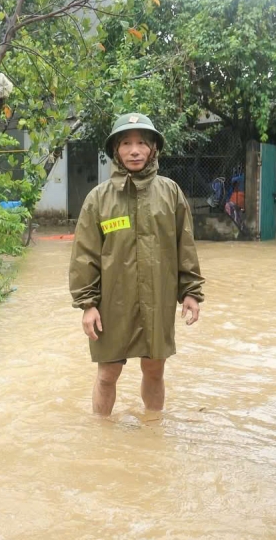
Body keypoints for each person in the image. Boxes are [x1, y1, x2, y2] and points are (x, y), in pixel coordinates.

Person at [70, 113, 205, 416]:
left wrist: (191, 292)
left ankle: (152, 431)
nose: (134, 150)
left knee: (155, 371)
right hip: (112, 303)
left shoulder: (170, 193)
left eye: (142, 143)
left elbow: (185, 246)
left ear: (153, 148)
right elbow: (84, 256)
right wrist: (88, 305)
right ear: (115, 150)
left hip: (157, 299)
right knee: (107, 375)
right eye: (126, 143)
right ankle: (102, 438)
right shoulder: (98, 199)